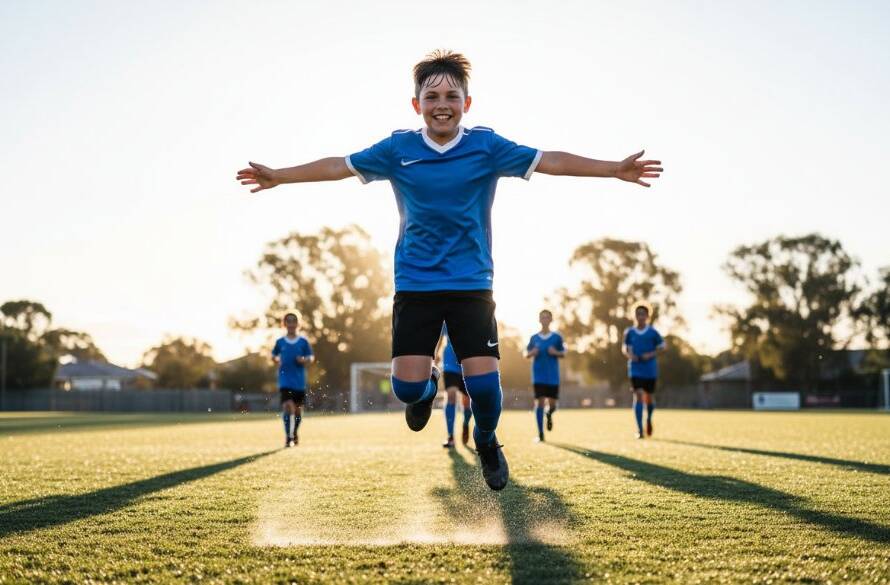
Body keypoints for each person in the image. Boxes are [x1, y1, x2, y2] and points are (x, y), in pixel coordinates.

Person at [237, 50, 662, 489]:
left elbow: (550, 160)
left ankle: (486, 438)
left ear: (467, 103)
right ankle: (428, 386)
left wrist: (613, 169)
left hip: (472, 285)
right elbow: (338, 166)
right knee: (406, 390)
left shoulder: (487, 146)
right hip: (415, 285)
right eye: (432, 95)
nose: (443, 103)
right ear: (416, 104)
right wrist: (281, 176)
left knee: (483, 388)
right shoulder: (397, 149)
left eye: (452, 96)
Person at [271, 312, 314, 447]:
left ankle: (294, 433)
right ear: (284, 324)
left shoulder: (303, 342)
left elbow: (311, 357)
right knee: (287, 406)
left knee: (297, 410)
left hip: (299, 382)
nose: (291, 324)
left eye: (293, 321)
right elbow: (273, 355)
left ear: (297, 324)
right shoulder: (280, 342)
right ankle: (288, 437)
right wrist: (275, 359)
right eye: (288, 321)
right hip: (285, 381)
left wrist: (304, 359)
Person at [622, 303, 665, 438]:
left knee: (649, 398)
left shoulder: (653, 332)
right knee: (638, 395)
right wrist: (630, 356)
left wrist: (650, 354)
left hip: (650, 370)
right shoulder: (629, 332)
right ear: (634, 315)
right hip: (635, 369)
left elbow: (663, 346)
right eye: (638, 313)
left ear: (647, 316)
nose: (640, 316)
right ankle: (640, 430)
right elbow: (624, 348)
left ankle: (648, 419)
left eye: (643, 314)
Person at [524, 310, 565, 442]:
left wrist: (555, 352)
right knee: (540, 402)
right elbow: (526, 354)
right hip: (538, 376)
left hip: (553, 377)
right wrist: (532, 353)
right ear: (539, 320)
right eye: (543, 317)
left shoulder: (557, 337)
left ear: (551, 320)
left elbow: (563, 353)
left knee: (552, 405)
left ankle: (549, 413)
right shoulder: (534, 338)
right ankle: (540, 434)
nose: (545, 319)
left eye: (547, 317)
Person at [440, 328, 472, 448]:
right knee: (451, 397)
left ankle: (465, 423)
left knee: (468, 400)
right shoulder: (445, 318)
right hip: (449, 364)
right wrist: (435, 353)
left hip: (466, 362)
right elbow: (438, 337)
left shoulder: (470, 315)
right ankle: (450, 436)